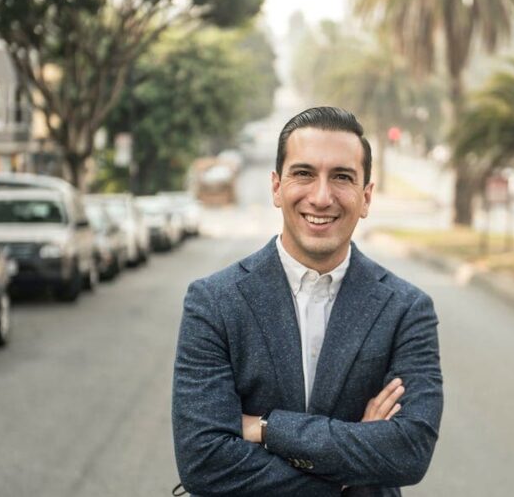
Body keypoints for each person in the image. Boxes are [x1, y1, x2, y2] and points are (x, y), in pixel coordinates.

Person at [172, 107, 443, 496]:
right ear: (276, 188)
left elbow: (408, 453)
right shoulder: (213, 302)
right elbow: (203, 461)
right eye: (303, 174)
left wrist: (264, 428)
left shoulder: (407, 310)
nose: (321, 197)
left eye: (342, 177)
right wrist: (351, 473)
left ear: (366, 197)